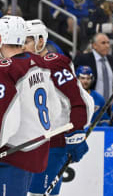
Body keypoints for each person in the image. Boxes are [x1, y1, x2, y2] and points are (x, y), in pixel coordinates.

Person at [0, 15, 78, 196]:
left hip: (14, 154)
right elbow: (55, 108)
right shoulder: (41, 63)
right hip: (38, 150)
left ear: (0, 38)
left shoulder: (3, 68)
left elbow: (5, 117)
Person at [23, 19, 94, 196]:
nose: (22, 47)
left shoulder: (54, 63)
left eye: (26, 41)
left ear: (40, 41)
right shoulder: (27, 66)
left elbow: (77, 100)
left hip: (54, 142)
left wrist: (75, 133)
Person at [74, 33, 113, 101]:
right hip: (90, 103)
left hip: (110, 105)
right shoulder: (83, 59)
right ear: (94, 45)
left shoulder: (112, 59)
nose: (107, 46)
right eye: (103, 43)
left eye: (108, 43)